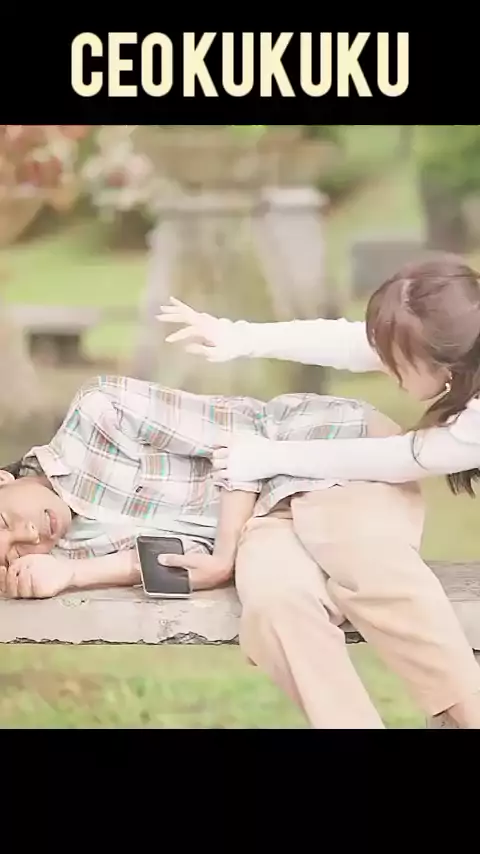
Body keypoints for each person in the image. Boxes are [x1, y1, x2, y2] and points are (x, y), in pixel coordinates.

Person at [1, 374, 480, 728]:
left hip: (327, 453)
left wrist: (225, 555)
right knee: (275, 607)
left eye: (4, 521)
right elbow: (179, 561)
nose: (28, 535)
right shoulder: (69, 549)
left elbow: (241, 445)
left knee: (359, 560)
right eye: (12, 552)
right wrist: (70, 575)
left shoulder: (98, 413)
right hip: (263, 524)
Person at [156, 254, 480, 493]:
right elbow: (349, 343)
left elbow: (401, 459)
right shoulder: (462, 345)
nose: (387, 368)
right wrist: (238, 336)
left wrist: (269, 457)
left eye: (396, 362)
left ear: (445, 361)